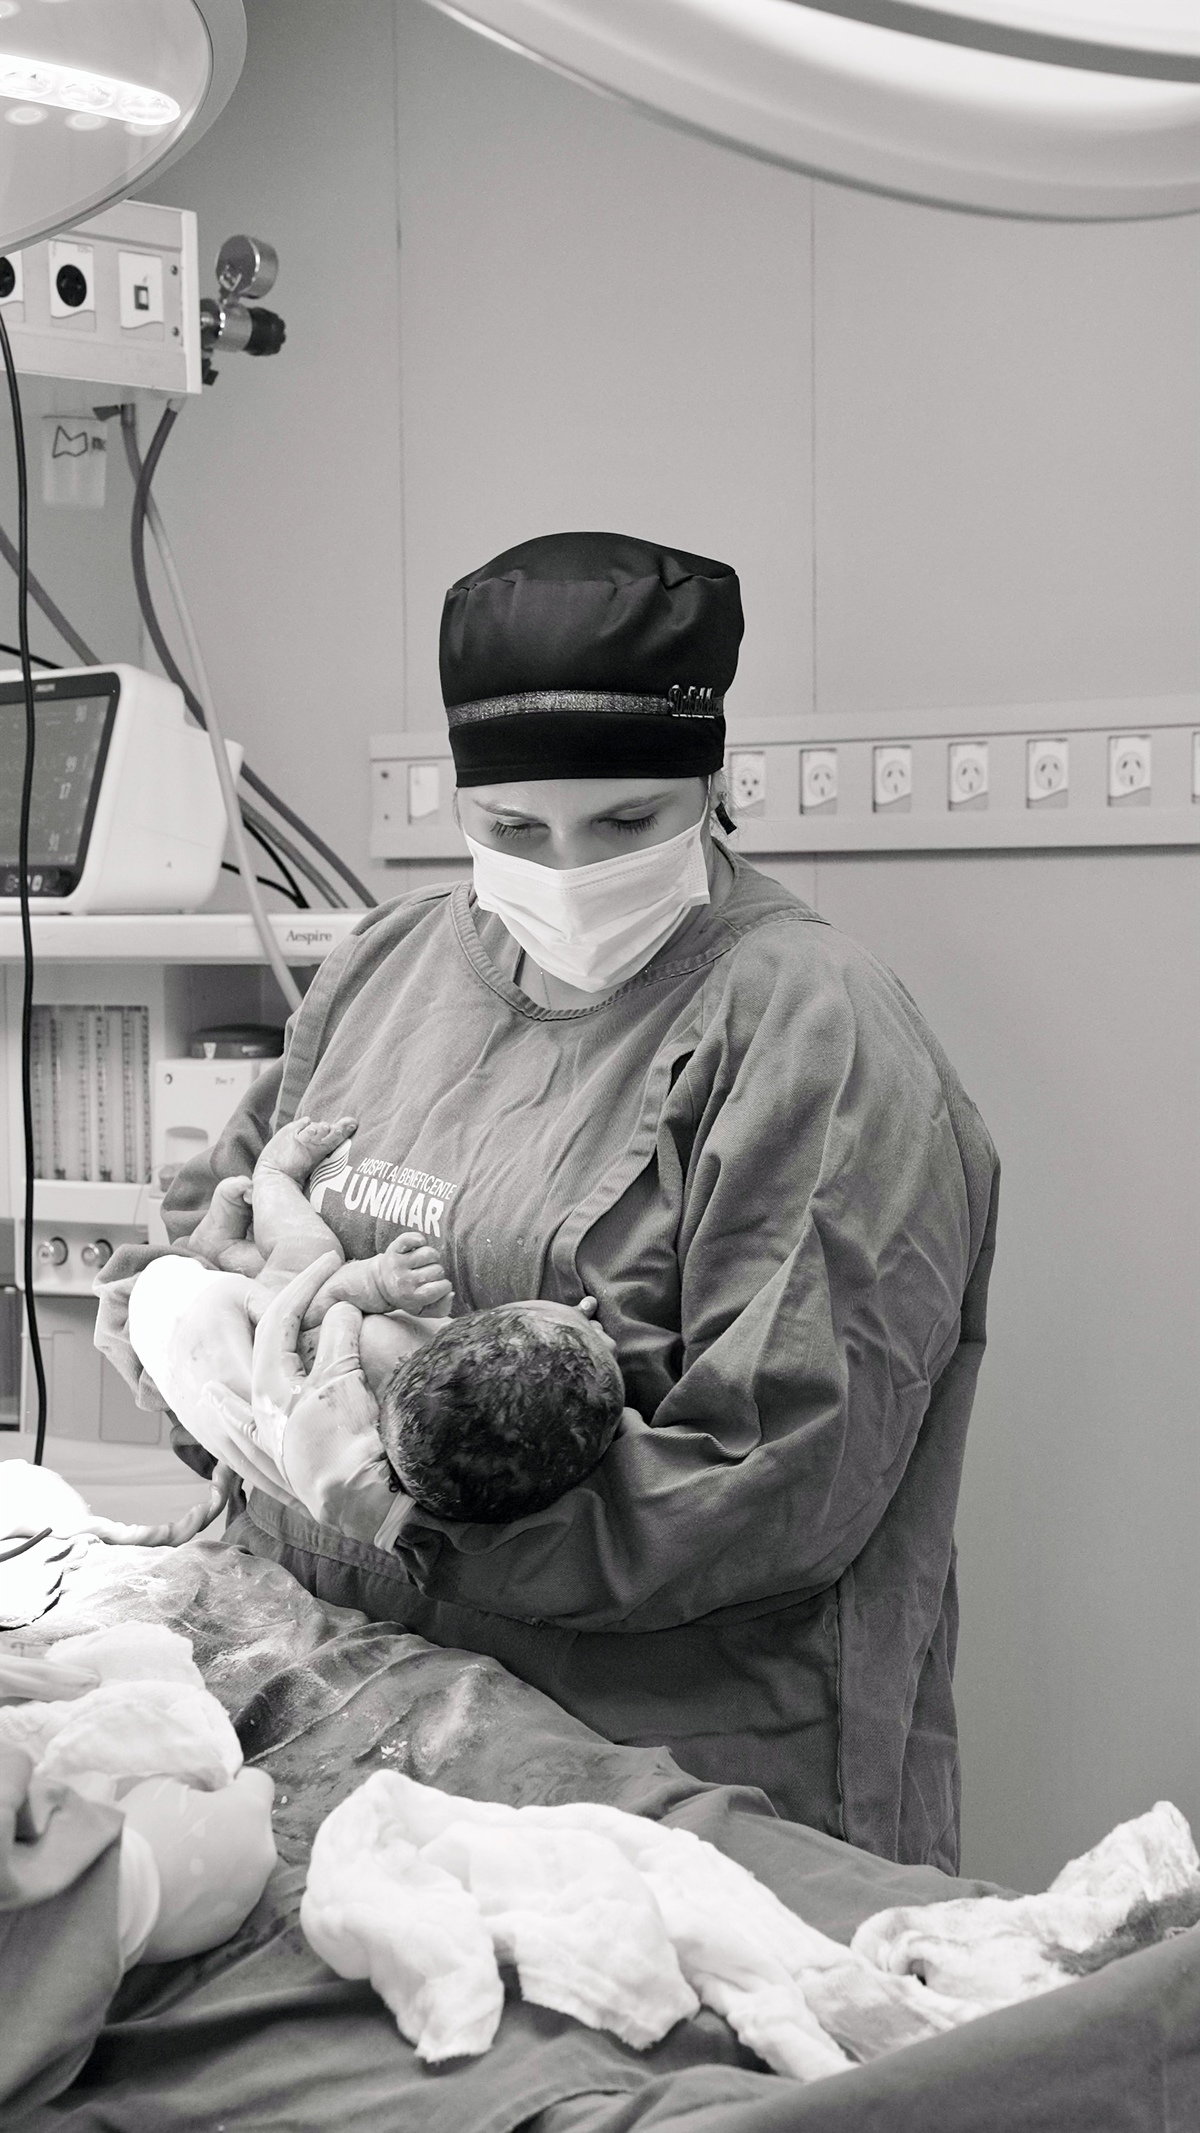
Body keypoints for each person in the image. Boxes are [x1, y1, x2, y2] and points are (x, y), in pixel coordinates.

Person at [98, 531, 999, 1873]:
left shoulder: (816, 1035)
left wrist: (391, 1504)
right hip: (338, 1719)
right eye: (514, 831)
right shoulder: (388, 966)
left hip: (656, 1780)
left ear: (714, 785)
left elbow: (772, 1490)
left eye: (627, 825)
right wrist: (199, 1353)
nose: (568, 871)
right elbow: (211, 1240)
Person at [132, 1114, 625, 1524]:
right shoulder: (452, 1441)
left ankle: (272, 1179)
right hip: (223, 1337)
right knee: (278, 1272)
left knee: (311, 1251)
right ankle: (226, 1242)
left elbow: (321, 1303)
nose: (606, 1334)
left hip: (226, 1326)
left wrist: (377, 1282)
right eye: (589, 1326)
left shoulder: (387, 1353)